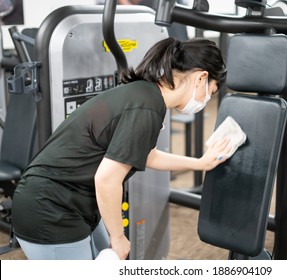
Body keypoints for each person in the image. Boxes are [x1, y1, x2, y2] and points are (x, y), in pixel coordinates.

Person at [12, 37, 229, 260]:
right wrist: (118, 236)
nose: (206, 100)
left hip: (74, 202)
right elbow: (107, 180)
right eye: (211, 92)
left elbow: (147, 154)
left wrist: (200, 163)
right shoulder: (146, 107)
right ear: (202, 77)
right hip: (50, 208)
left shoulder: (145, 94)